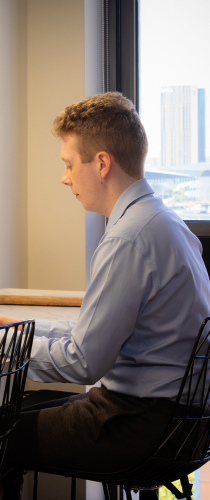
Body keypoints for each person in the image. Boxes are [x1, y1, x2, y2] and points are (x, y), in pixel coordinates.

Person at [0, 92, 210, 499]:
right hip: (184, 423)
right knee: (18, 409)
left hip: (138, 426)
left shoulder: (128, 239)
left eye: (68, 164)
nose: (64, 177)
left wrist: (6, 346)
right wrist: (19, 330)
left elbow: (83, 361)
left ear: (100, 163)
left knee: (4, 427)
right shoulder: (165, 223)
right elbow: (93, 332)